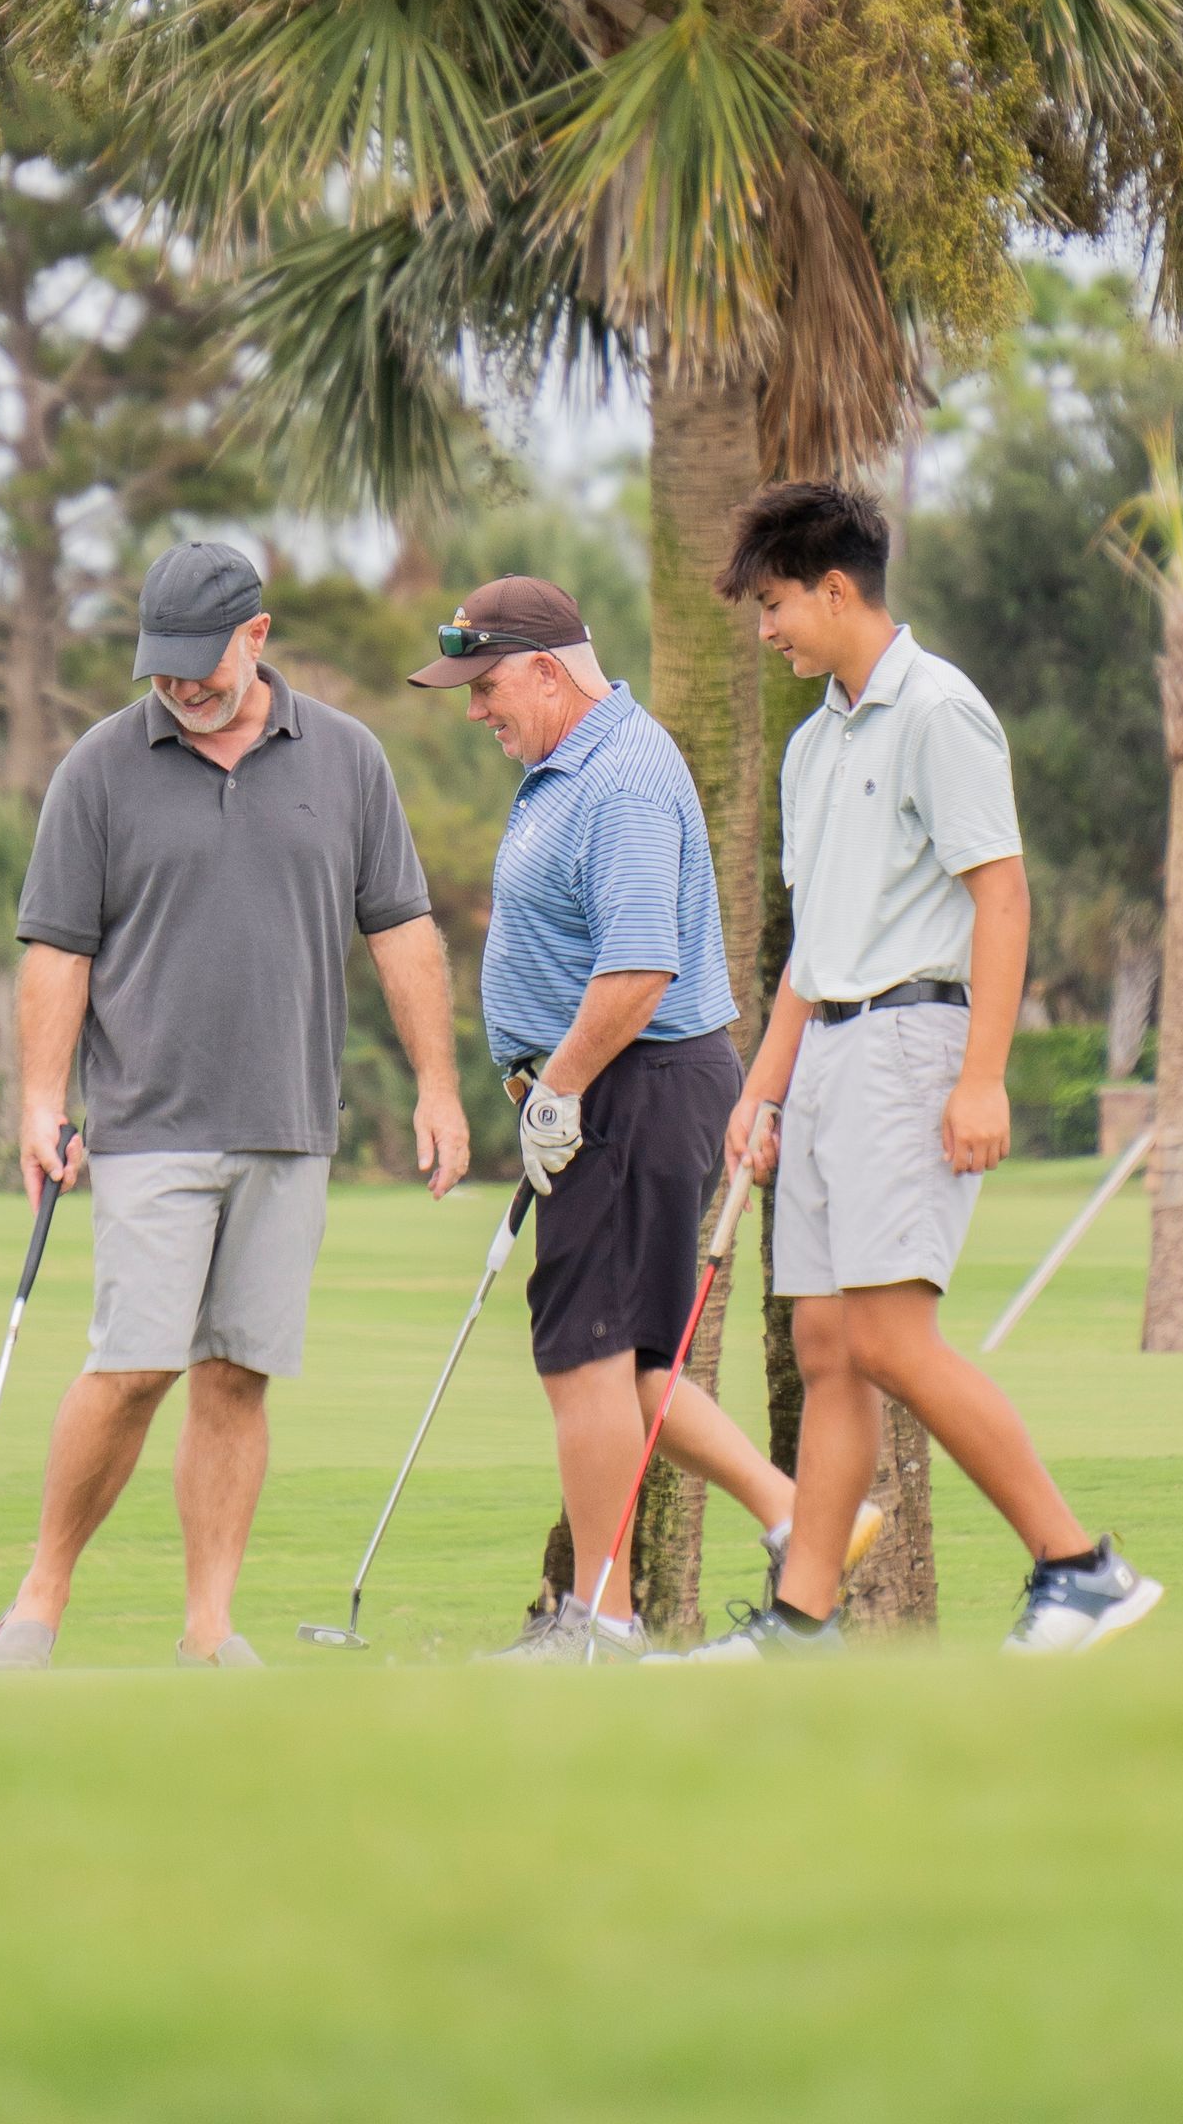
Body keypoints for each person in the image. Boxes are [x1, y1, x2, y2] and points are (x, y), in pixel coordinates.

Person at [0, 540, 468, 1672]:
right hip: (148, 1121)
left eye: (198, 663)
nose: (179, 686)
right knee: (135, 1367)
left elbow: (401, 929)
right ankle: (40, 1598)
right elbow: (57, 949)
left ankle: (209, 1629)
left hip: (289, 1124)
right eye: (161, 666)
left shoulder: (347, 757)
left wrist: (438, 1087)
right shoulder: (100, 768)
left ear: (257, 636)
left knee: (237, 1374)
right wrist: (41, 1101)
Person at [702, 481, 1162, 1658]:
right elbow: (812, 945)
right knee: (826, 1348)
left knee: (892, 1342)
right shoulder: (812, 745)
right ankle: (804, 1621)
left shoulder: (942, 710)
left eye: (774, 604)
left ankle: (1081, 1566)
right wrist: (761, 1092)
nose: (767, 629)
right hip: (824, 1056)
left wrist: (983, 1078)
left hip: (912, 1045)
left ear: (836, 591)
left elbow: (1000, 894)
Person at [409, 575, 879, 1662]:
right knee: (634, 1365)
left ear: (545, 671)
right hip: (622, 1086)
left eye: (484, 688)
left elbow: (637, 969)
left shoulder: (617, 776)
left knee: (584, 1358)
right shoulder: (572, 763)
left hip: (632, 1081)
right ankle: (797, 1516)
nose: (475, 712)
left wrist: (558, 1091)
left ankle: (603, 1625)